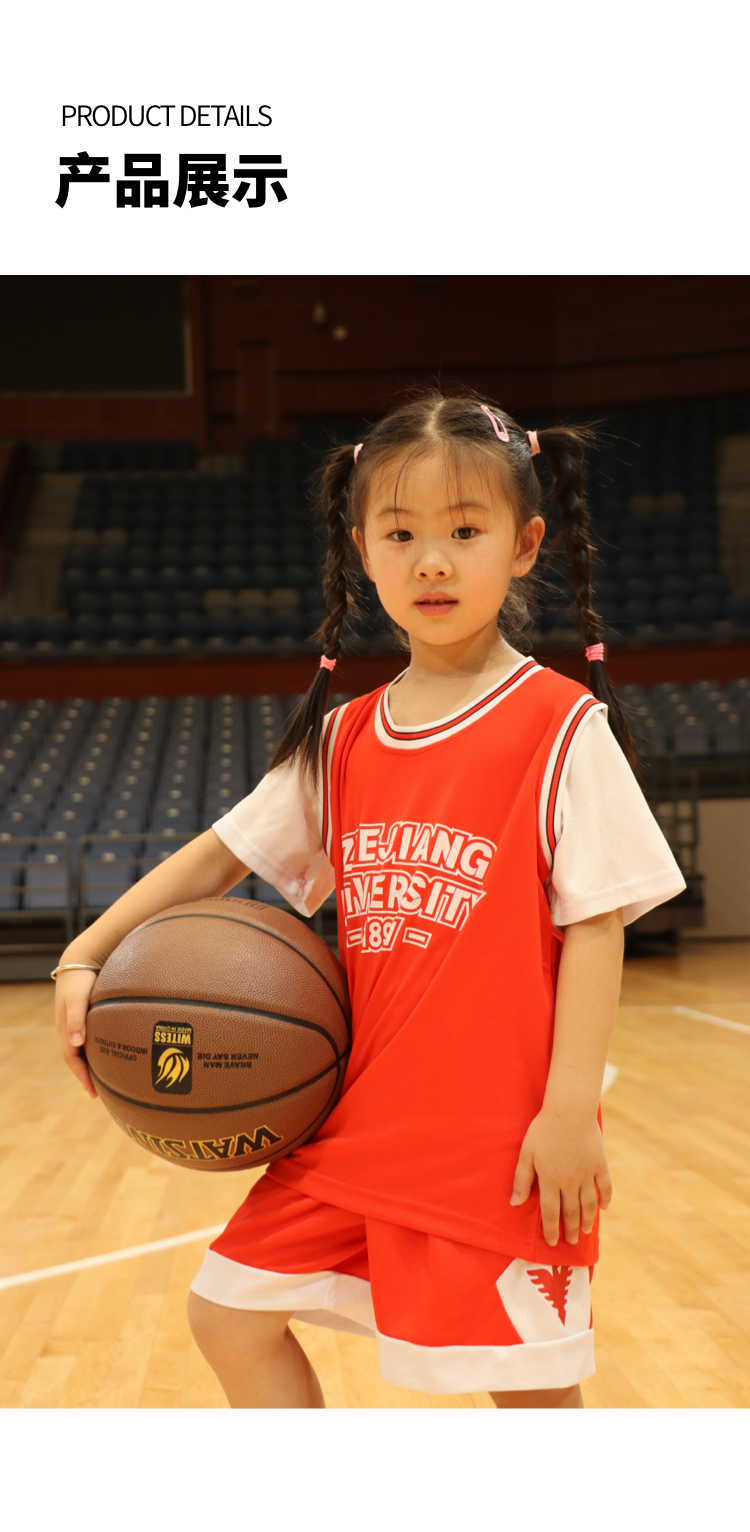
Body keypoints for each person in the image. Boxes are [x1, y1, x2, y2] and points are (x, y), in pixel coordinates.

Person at [54, 392, 685, 1409]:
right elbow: (218, 856)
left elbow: (596, 925)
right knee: (228, 1311)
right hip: (353, 1127)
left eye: (464, 531)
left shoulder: (561, 725)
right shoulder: (345, 737)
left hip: (496, 1144)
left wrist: (570, 1112)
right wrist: (85, 951)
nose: (432, 561)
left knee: (528, 1390)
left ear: (524, 545)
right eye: (400, 534)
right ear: (362, 551)